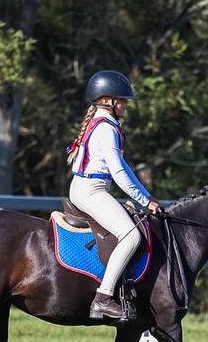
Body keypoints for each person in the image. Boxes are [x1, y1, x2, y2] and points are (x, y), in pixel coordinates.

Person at [67, 70, 161, 320]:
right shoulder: (106, 128)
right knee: (131, 236)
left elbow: (123, 167)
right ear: (107, 100)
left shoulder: (102, 123)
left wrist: (146, 196)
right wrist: (145, 200)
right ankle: (103, 298)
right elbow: (118, 172)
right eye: (123, 100)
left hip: (85, 187)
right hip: (92, 190)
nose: (126, 104)